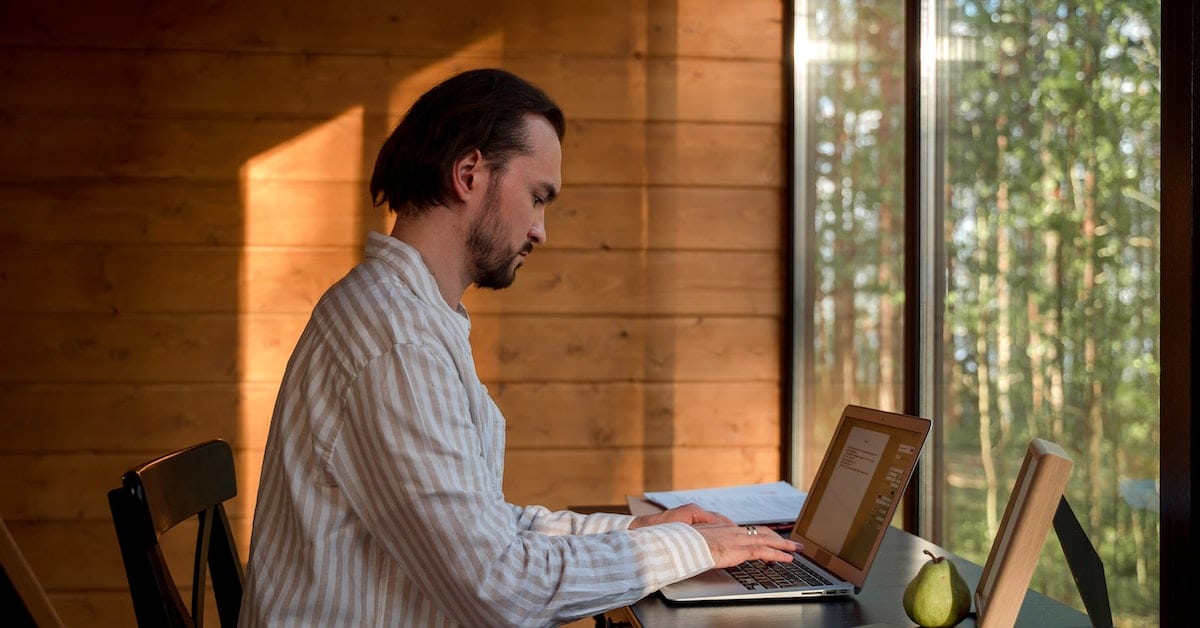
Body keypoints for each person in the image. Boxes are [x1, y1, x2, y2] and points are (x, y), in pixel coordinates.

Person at [239, 68, 801, 627]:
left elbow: (480, 527)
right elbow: (500, 588)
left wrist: (637, 532)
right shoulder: (396, 342)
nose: (540, 230)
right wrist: (692, 551)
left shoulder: (406, 315)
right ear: (468, 173)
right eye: (537, 197)